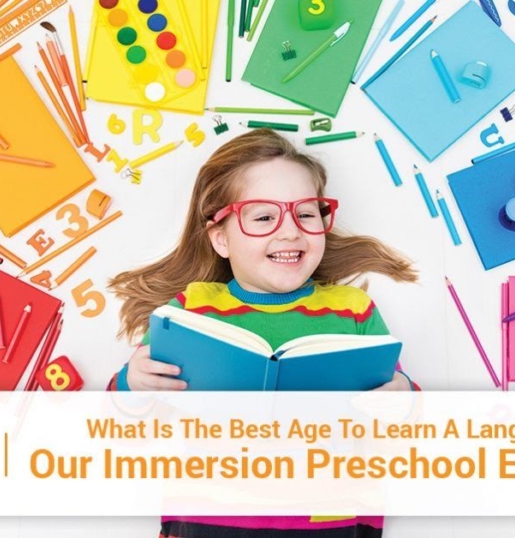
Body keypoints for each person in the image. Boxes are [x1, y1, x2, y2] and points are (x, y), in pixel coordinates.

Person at [107, 129, 419, 537]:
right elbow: (127, 431)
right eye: (264, 217)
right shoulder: (192, 308)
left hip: (324, 521)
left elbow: (402, 427)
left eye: (306, 214)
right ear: (221, 238)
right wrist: (134, 384)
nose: (290, 231)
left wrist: (403, 400)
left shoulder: (352, 310)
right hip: (209, 519)